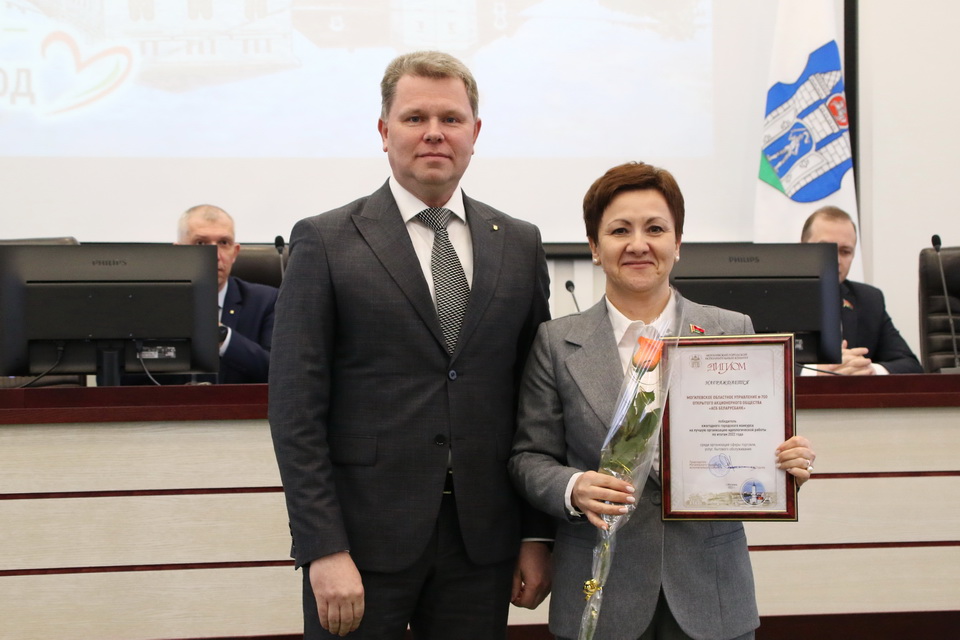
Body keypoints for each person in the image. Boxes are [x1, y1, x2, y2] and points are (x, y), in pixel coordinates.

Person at [268, 51, 552, 639]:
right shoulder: (325, 240)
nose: (434, 133)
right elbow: (295, 410)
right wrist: (322, 546)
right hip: (361, 545)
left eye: (451, 119)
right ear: (384, 131)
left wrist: (534, 534)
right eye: (415, 117)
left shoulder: (519, 243)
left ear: (475, 132)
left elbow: (535, 406)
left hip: (482, 543)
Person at [509, 162, 815, 640]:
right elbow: (529, 457)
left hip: (711, 594)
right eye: (619, 230)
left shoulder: (730, 331)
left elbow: (749, 449)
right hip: (599, 591)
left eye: (655, 229)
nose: (638, 244)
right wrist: (573, 487)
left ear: (678, 243)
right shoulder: (555, 342)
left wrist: (783, 465)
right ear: (594, 247)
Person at [800, 206, 922, 375]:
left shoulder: (869, 299)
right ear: (802, 248)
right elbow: (763, 365)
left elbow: (911, 366)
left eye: (845, 252)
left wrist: (867, 369)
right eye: (826, 249)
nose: (836, 260)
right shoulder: (773, 298)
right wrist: (816, 372)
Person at [176, 204, 277, 384]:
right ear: (178, 251)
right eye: (200, 243)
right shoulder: (152, 303)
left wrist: (221, 336)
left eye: (223, 243)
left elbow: (279, 372)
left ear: (235, 253)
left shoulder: (268, 302)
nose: (214, 255)